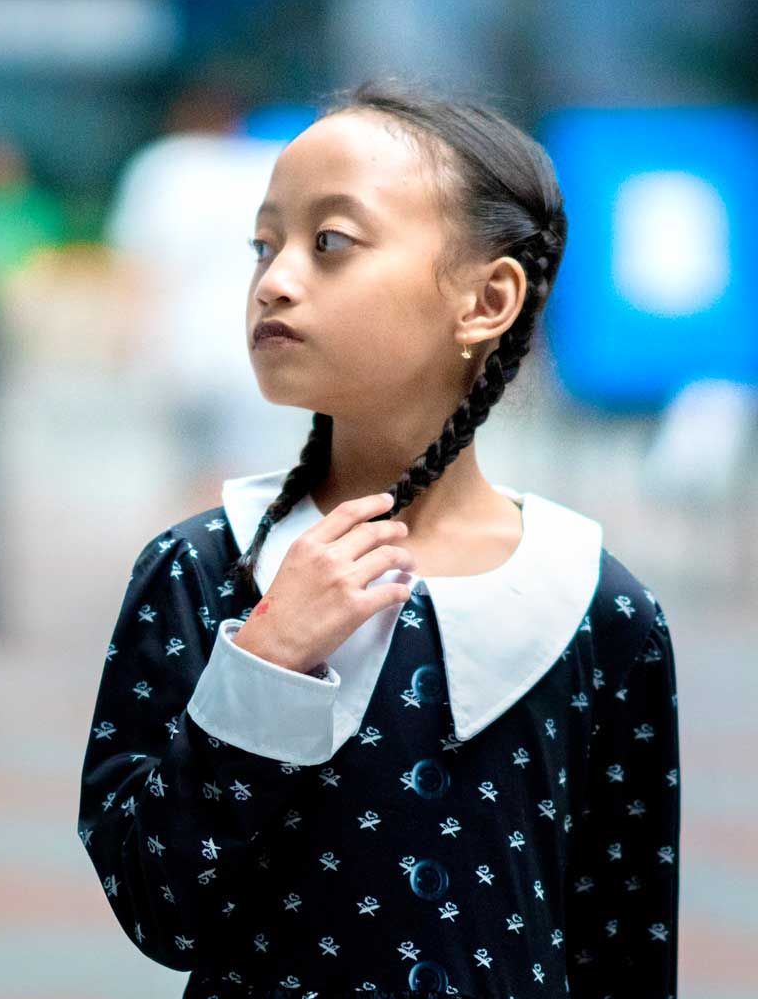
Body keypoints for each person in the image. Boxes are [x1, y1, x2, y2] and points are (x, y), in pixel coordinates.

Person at [77, 78, 681, 999]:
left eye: (331, 243)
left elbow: (625, 944)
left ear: (487, 299)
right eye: (264, 245)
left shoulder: (599, 606)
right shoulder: (205, 569)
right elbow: (158, 908)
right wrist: (267, 661)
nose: (274, 279)